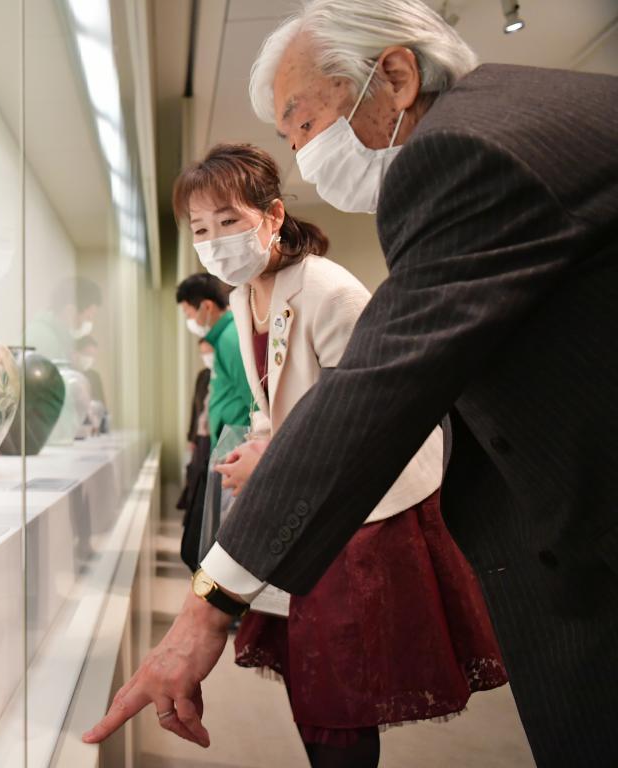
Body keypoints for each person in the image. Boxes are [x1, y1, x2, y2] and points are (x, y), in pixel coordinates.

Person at [84, 2, 618, 766]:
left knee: (343, 687)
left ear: (395, 77)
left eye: (303, 123)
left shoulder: (461, 154)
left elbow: (375, 394)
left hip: (399, 512)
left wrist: (208, 606)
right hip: (532, 513)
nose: (304, 154)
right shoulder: (516, 120)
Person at [188, 142, 507, 768]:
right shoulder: (242, 295)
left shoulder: (329, 289)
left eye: (229, 221)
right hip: (304, 502)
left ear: (273, 216)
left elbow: (364, 420)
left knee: (341, 685)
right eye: (200, 229)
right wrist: (261, 443)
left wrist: (272, 460)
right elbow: (282, 403)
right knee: (315, 677)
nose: (215, 239)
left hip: (365, 512)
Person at [176, 273, 250, 441]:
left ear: (207, 307)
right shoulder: (223, 338)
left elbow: (253, 400)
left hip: (237, 440)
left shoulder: (230, 338)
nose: (190, 321)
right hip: (229, 437)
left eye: (189, 314)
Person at [177, 338, 214, 571]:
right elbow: (195, 406)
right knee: (195, 478)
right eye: (202, 352)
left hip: (214, 437)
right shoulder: (203, 376)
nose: (205, 355)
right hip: (200, 437)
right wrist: (191, 436)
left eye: (208, 351)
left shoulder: (222, 371)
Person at [26, 276, 102, 362]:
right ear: (70, 311)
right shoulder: (45, 339)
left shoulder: (55, 337)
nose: (89, 323)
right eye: (88, 317)